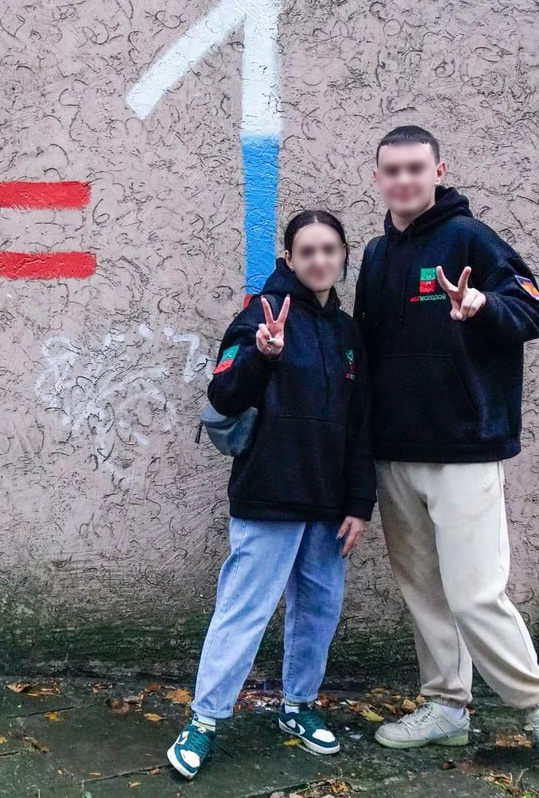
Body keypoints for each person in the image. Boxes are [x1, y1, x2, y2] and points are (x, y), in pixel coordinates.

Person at [353, 125, 539, 785]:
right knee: (424, 591)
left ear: (438, 170)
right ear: (379, 178)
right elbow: (367, 350)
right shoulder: (376, 254)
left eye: (415, 168)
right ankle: (446, 705)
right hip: (396, 453)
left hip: (465, 449)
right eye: (392, 170)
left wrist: (483, 304)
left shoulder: (471, 240)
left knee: (476, 595)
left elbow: (532, 310)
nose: (404, 180)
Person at [167, 210, 376, 779]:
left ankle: (298, 706)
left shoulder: (348, 333)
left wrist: (360, 504)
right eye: (307, 251)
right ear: (289, 259)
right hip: (269, 495)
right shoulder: (260, 315)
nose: (319, 260)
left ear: (342, 257)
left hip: (329, 506)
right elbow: (224, 396)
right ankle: (204, 720)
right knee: (243, 612)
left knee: (318, 612)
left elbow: (361, 425)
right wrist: (264, 355)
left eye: (329, 250)